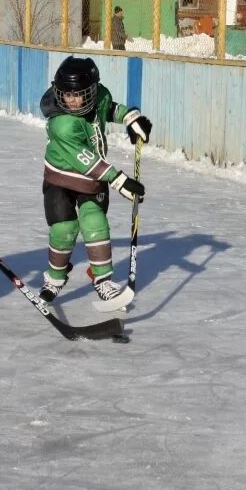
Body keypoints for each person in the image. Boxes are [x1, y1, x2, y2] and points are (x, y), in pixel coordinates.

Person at [38, 56, 152, 312]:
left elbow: (107, 107)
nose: (72, 100)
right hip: (61, 177)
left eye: (79, 95)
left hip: (94, 178)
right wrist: (119, 180)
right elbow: (85, 160)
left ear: (91, 90)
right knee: (64, 229)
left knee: (95, 223)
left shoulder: (98, 94)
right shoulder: (62, 125)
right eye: (67, 95)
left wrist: (132, 118)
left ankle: (103, 280)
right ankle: (55, 277)